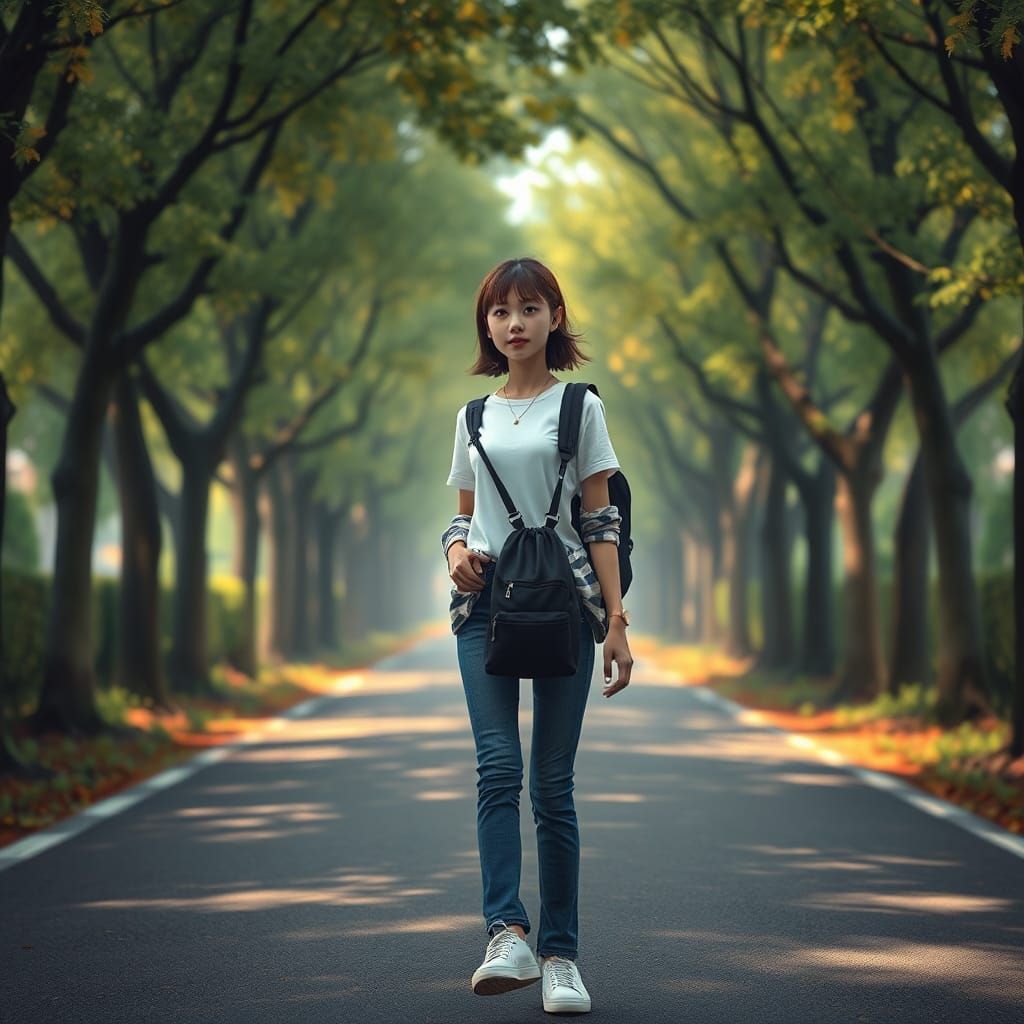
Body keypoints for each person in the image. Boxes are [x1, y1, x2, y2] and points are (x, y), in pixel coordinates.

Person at [442, 257, 633, 1015]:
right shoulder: (471, 416)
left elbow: (600, 521)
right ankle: (505, 933)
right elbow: (463, 514)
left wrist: (616, 623)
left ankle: (560, 956)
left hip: (563, 605)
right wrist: (455, 551)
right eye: (499, 312)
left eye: (529, 308)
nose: (513, 323)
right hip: (485, 606)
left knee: (553, 786)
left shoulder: (580, 408)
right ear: (487, 324)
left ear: (555, 317)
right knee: (497, 770)